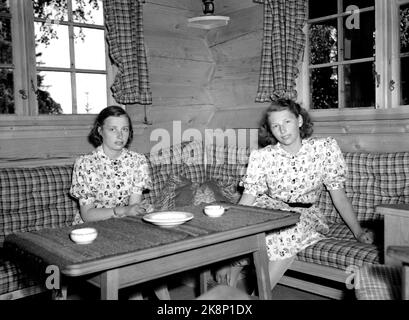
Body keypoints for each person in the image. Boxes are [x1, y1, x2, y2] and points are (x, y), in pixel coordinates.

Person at [215, 98, 374, 291]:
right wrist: (227, 239)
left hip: (304, 215)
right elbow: (248, 200)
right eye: (275, 125)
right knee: (264, 230)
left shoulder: (324, 149)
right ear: (270, 130)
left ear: (299, 121)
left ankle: (253, 293)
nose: (282, 130)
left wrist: (357, 231)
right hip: (269, 208)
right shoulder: (263, 156)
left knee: (288, 232)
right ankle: (236, 265)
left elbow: (339, 197)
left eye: (287, 122)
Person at [70, 105, 152, 222]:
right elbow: (87, 215)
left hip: (124, 224)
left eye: (124, 129)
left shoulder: (138, 161)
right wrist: (123, 210)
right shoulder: (85, 164)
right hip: (90, 228)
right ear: (100, 131)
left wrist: (140, 209)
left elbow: (133, 209)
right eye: (113, 129)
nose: (120, 135)